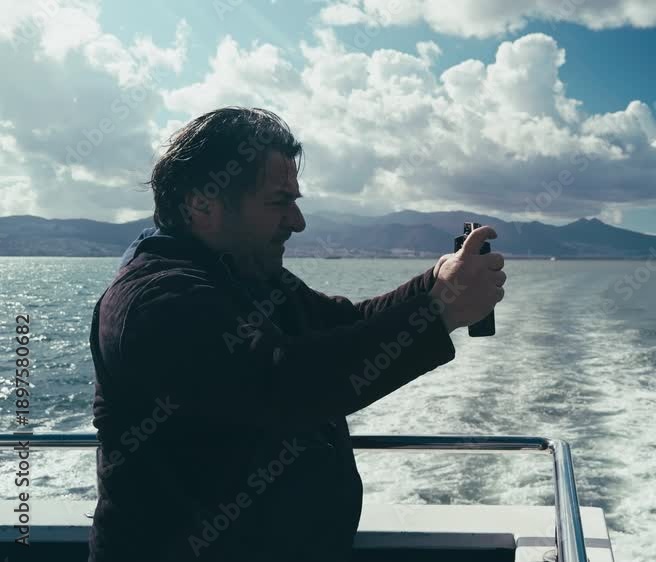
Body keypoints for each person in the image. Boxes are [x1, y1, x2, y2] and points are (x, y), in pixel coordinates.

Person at [87, 107, 506, 561]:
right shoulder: (153, 302)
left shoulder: (247, 276)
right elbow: (282, 383)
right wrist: (437, 312)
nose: (297, 221)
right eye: (278, 202)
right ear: (202, 203)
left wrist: (436, 282)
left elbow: (345, 322)